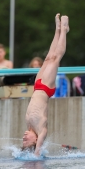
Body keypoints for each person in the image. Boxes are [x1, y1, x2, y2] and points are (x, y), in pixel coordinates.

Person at [22, 14, 69, 156]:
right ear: (36, 140)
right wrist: (37, 152)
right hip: (46, 89)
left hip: (37, 86)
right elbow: (38, 152)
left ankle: (57, 29)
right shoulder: (41, 129)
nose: (24, 137)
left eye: (23, 140)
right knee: (55, 58)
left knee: (48, 58)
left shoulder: (29, 126)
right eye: (26, 140)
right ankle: (64, 31)